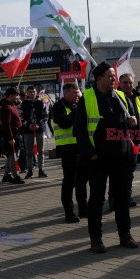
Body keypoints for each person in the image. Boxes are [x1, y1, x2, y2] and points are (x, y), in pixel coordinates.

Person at [74, 62, 138, 253]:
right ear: (99, 77)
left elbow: (129, 120)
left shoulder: (119, 96)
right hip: (99, 158)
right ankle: (96, 239)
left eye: (114, 75)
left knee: (122, 199)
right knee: (97, 199)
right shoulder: (87, 97)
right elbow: (79, 129)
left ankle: (125, 235)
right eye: (110, 75)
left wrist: (132, 121)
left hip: (121, 156)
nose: (113, 79)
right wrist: (90, 153)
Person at [52, 82, 88, 223]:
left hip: (80, 149)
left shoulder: (77, 106)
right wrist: (76, 111)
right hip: (67, 150)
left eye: (77, 92)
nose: (77, 95)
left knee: (82, 181)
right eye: (74, 92)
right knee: (69, 182)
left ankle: (83, 209)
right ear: (65, 93)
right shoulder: (58, 107)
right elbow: (64, 123)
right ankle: (69, 212)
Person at [116, 73, 140, 207]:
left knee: (131, 170)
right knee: (119, 172)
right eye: (125, 83)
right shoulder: (115, 97)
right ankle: (114, 200)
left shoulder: (136, 97)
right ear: (119, 84)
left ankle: (127, 197)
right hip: (121, 138)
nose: (128, 85)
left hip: (135, 137)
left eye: (130, 83)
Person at [21, 86, 48, 178]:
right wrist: (28, 124)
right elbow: (21, 117)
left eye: (33, 92)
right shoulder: (23, 104)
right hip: (28, 131)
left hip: (39, 130)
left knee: (41, 151)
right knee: (29, 152)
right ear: (27, 93)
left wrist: (38, 124)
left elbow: (45, 116)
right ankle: (29, 170)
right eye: (30, 92)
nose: (32, 94)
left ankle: (41, 169)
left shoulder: (41, 103)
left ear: (36, 93)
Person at [0, 87, 25, 184]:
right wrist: (10, 138)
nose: (17, 97)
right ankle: (16, 176)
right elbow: (7, 124)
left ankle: (6, 175)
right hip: (12, 135)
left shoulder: (12, 105)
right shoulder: (6, 108)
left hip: (16, 134)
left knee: (12, 156)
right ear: (11, 95)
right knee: (13, 156)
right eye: (16, 95)